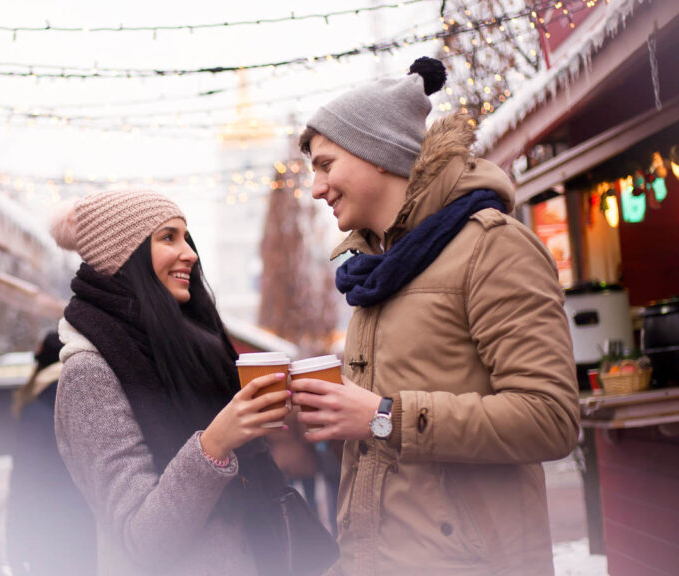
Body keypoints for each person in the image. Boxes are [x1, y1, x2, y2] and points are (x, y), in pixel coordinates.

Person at [290, 57, 580, 576]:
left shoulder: (493, 248)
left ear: (378, 154)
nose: (315, 188)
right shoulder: (375, 275)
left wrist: (384, 416)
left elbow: (550, 418)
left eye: (326, 165)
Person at [49, 191, 337, 576]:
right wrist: (216, 443)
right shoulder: (89, 373)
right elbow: (141, 539)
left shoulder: (189, 347)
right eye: (168, 237)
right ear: (123, 256)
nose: (189, 253)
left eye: (186, 237)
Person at [6, 331, 96, 576]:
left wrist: (14, 543)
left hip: (48, 532)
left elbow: (24, 481)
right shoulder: (93, 395)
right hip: (91, 532)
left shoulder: (36, 409)